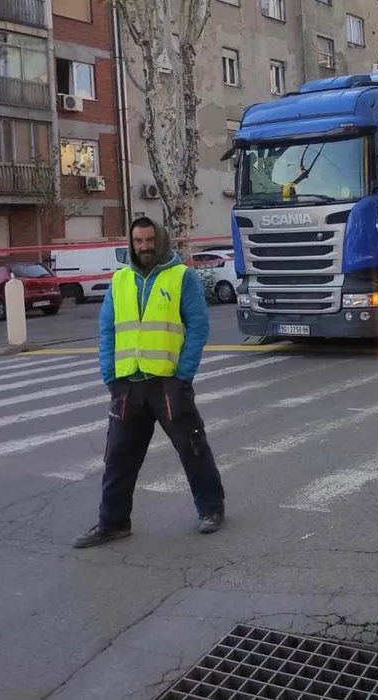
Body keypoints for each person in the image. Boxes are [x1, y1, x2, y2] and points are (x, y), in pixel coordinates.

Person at [72, 218, 225, 548]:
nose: (143, 247)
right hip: (127, 384)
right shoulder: (120, 279)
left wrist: (183, 374)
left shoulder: (181, 276)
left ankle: (211, 509)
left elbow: (198, 326)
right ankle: (112, 523)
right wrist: (109, 375)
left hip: (168, 383)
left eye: (149, 240)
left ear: (161, 239)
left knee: (193, 448)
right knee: (118, 457)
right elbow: (108, 330)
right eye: (138, 241)